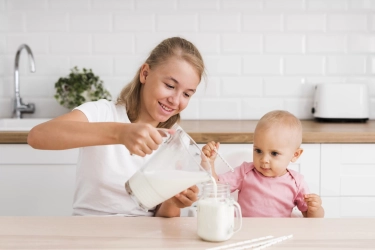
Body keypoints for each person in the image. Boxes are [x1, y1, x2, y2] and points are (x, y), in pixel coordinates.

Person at [28, 37, 205, 217]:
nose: (175, 100)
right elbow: (38, 136)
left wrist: (172, 202)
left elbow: (163, 220)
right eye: (169, 86)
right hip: (90, 234)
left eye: (187, 94)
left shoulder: (175, 142)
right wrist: (120, 133)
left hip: (142, 239)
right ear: (145, 73)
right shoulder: (102, 113)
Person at [202, 110, 324, 218]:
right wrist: (209, 163)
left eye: (274, 153)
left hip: (278, 235)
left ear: (295, 155)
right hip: (245, 232)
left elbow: (310, 218)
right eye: (258, 151)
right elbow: (215, 189)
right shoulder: (245, 172)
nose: (264, 159)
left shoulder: (296, 182)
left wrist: (315, 209)